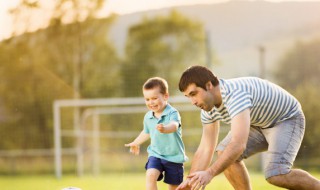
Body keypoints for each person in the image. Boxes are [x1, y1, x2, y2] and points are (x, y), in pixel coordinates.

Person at [176, 65, 320, 190]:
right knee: (224, 152)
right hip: (258, 123)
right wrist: (190, 182)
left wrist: (210, 173)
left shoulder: (235, 95)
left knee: (276, 174)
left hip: (286, 119)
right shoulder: (207, 108)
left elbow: (238, 144)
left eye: (194, 94)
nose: (192, 102)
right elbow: (205, 148)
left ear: (208, 85)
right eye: (188, 96)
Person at [125, 77, 188, 190]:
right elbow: (146, 132)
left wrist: (165, 128)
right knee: (150, 175)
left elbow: (174, 125)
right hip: (156, 154)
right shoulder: (148, 116)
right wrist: (136, 142)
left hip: (174, 157)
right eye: (147, 99)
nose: (151, 102)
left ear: (165, 96)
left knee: (174, 187)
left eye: (154, 98)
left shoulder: (173, 113)